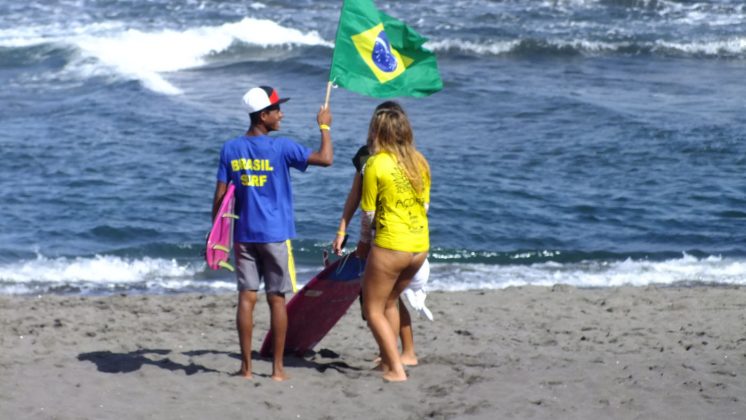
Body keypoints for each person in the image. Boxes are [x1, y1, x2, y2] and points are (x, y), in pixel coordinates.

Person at [212, 86, 333, 381]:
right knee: (277, 299)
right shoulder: (282, 148)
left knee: (246, 298)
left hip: (243, 234)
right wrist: (325, 126)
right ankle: (278, 371)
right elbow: (326, 158)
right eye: (277, 109)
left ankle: (246, 368)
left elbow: (218, 201)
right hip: (275, 235)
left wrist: (217, 237)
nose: (281, 114)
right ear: (263, 115)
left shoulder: (230, 149)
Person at [331, 101, 432, 368]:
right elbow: (424, 208)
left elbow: (368, 214)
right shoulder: (419, 161)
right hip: (418, 243)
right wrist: (343, 228)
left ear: (378, 129)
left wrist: (365, 245)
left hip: (389, 243)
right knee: (390, 301)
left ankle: (396, 363)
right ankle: (393, 357)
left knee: (376, 307)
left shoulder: (376, 163)